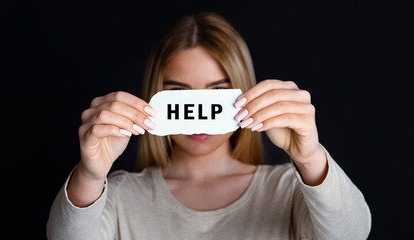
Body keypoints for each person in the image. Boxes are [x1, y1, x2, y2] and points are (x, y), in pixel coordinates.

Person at [47, 12, 371, 239]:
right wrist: (90, 174)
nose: (199, 113)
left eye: (217, 92)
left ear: (243, 91)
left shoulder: (289, 189)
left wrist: (310, 157)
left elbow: (352, 234)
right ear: (155, 96)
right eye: (179, 93)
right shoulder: (117, 196)